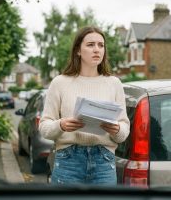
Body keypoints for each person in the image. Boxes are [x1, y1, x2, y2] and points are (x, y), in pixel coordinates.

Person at [39, 26, 130, 185]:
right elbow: (44, 127)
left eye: (101, 45)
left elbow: (124, 128)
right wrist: (61, 125)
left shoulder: (114, 83)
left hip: (104, 160)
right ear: (78, 51)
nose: (97, 50)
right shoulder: (60, 82)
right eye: (90, 45)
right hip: (68, 160)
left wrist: (117, 129)